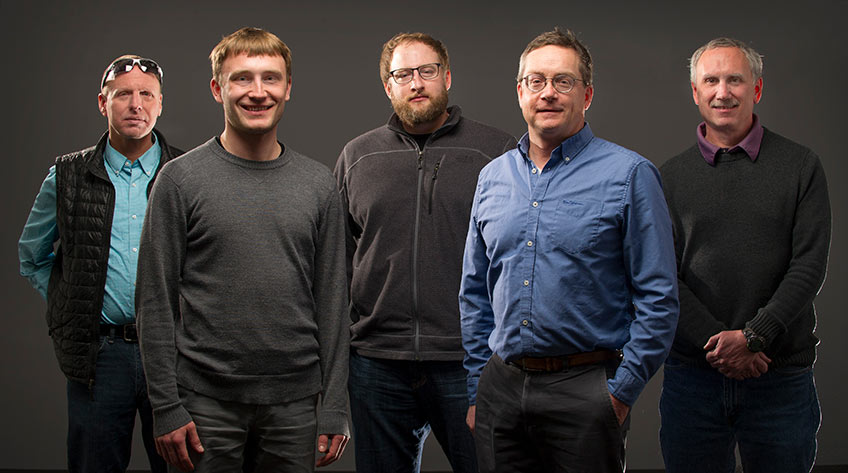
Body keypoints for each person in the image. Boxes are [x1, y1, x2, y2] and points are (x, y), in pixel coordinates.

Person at [459, 28, 679, 472]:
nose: (548, 94)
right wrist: (477, 387)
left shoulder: (630, 175)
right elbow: (474, 292)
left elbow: (659, 299)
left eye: (563, 81)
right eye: (536, 81)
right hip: (499, 389)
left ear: (588, 94)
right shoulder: (492, 178)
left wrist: (618, 393)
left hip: (586, 390)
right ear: (520, 92)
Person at [136, 27, 349, 472]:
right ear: (218, 88)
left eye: (270, 78)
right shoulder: (179, 181)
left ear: (288, 88)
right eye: (241, 79)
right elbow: (154, 301)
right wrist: (166, 406)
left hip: (296, 405)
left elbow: (332, 301)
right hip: (203, 403)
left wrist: (334, 404)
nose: (257, 92)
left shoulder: (318, 185)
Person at [335, 32, 516, 473]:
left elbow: (521, 255)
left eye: (427, 71)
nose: (416, 83)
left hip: (470, 361)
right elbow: (335, 263)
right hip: (378, 363)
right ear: (388, 85)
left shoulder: (496, 152)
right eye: (402, 74)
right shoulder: (358, 156)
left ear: (447, 77)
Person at [658, 37, 831, 473]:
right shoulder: (666, 178)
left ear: (756, 89)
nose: (723, 91)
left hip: (780, 378)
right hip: (693, 377)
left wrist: (753, 338)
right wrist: (720, 346)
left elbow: (808, 265)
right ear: (695, 92)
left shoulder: (801, 166)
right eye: (711, 80)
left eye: (735, 79)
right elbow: (660, 275)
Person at [18, 54, 180, 473]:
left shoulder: (184, 174)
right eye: (123, 94)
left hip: (175, 354)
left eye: (147, 94)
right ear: (102, 102)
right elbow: (32, 254)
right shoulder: (67, 176)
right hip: (99, 356)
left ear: (161, 104)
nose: (135, 104)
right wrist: (68, 301)